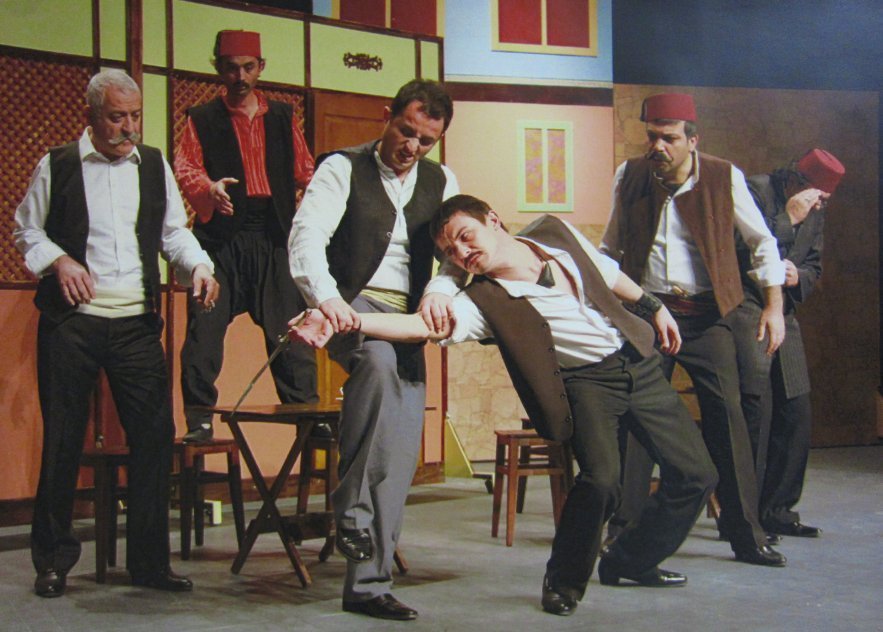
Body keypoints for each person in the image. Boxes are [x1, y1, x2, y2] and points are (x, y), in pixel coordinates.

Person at [289, 195, 719, 617]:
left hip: (637, 362)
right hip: (587, 383)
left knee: (697, 474)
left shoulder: (553, 233)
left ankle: (630, 560)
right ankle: (563, 581)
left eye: (465, 236)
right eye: (450, 252)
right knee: (602, 481)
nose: (462, 253)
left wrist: (653, 307)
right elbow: (422, 326)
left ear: (492, 220)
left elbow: (605, 272)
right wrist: (346, 318)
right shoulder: (485, 301)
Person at [14, 69, 217, 597]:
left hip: (134, 325)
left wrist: (199, 265)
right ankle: (53, 561)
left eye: (135, 116)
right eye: (117, 117)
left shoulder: (152, 164)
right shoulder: (58, 163)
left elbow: (173, 233)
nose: (129, 127)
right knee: (62, 440)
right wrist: (59, 261)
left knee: (153, 439)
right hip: (72, 323)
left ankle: (149, 563)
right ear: (91, 116)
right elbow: (26, 229)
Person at [288, 79, 462, 621]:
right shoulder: (342, 168)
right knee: (380, 364)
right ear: (387, 115)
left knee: (401, 446)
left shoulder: (442, 181)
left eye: (426, 140)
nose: (412, 147)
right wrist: (327, 300)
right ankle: (350, 508)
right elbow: (306, 237)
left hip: (408, 318)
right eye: (405, 131)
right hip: (350, 304)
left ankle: (368, 586)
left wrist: (439, 290)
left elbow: (455, 256)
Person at [601, 93, 788, 566]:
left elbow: (762, 242)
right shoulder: (631, 175)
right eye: (652, 137)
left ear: (692, 140)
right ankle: (623, 531)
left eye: (668, 138)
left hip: (707, 316)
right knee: (638, 421)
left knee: (728, 419)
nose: (658, 147)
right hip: (648, 314)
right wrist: (606, 306)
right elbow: (610, 247)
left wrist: (774, 306)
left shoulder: (723, 177)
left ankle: (745, 534)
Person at [175, 29, 318, 443]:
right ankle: (200, 419)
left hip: (273, 236)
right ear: (218, 69)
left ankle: (310, 419)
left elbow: (306, 172)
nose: (240, 76)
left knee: (291, 337)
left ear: (261, 68)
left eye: (248, 67)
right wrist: (209, 189)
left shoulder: (283, 117)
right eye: (231, 68)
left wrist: (315, 212)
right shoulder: (203, 118)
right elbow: (186, 168)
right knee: (203, 336)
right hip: (221, 240)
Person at [729, 148, 845, 538]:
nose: (819, 205)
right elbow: (736, 246)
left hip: (786, 314)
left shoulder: (817, 211)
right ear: (797, 181)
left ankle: (777, 509)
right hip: (747, 309)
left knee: (796, 411)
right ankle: (742, 516)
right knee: (756, 413)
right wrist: (788, 219)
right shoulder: (756, 191)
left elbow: (814, 264)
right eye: (817, 197)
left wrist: (799, 277)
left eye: (825, 200)